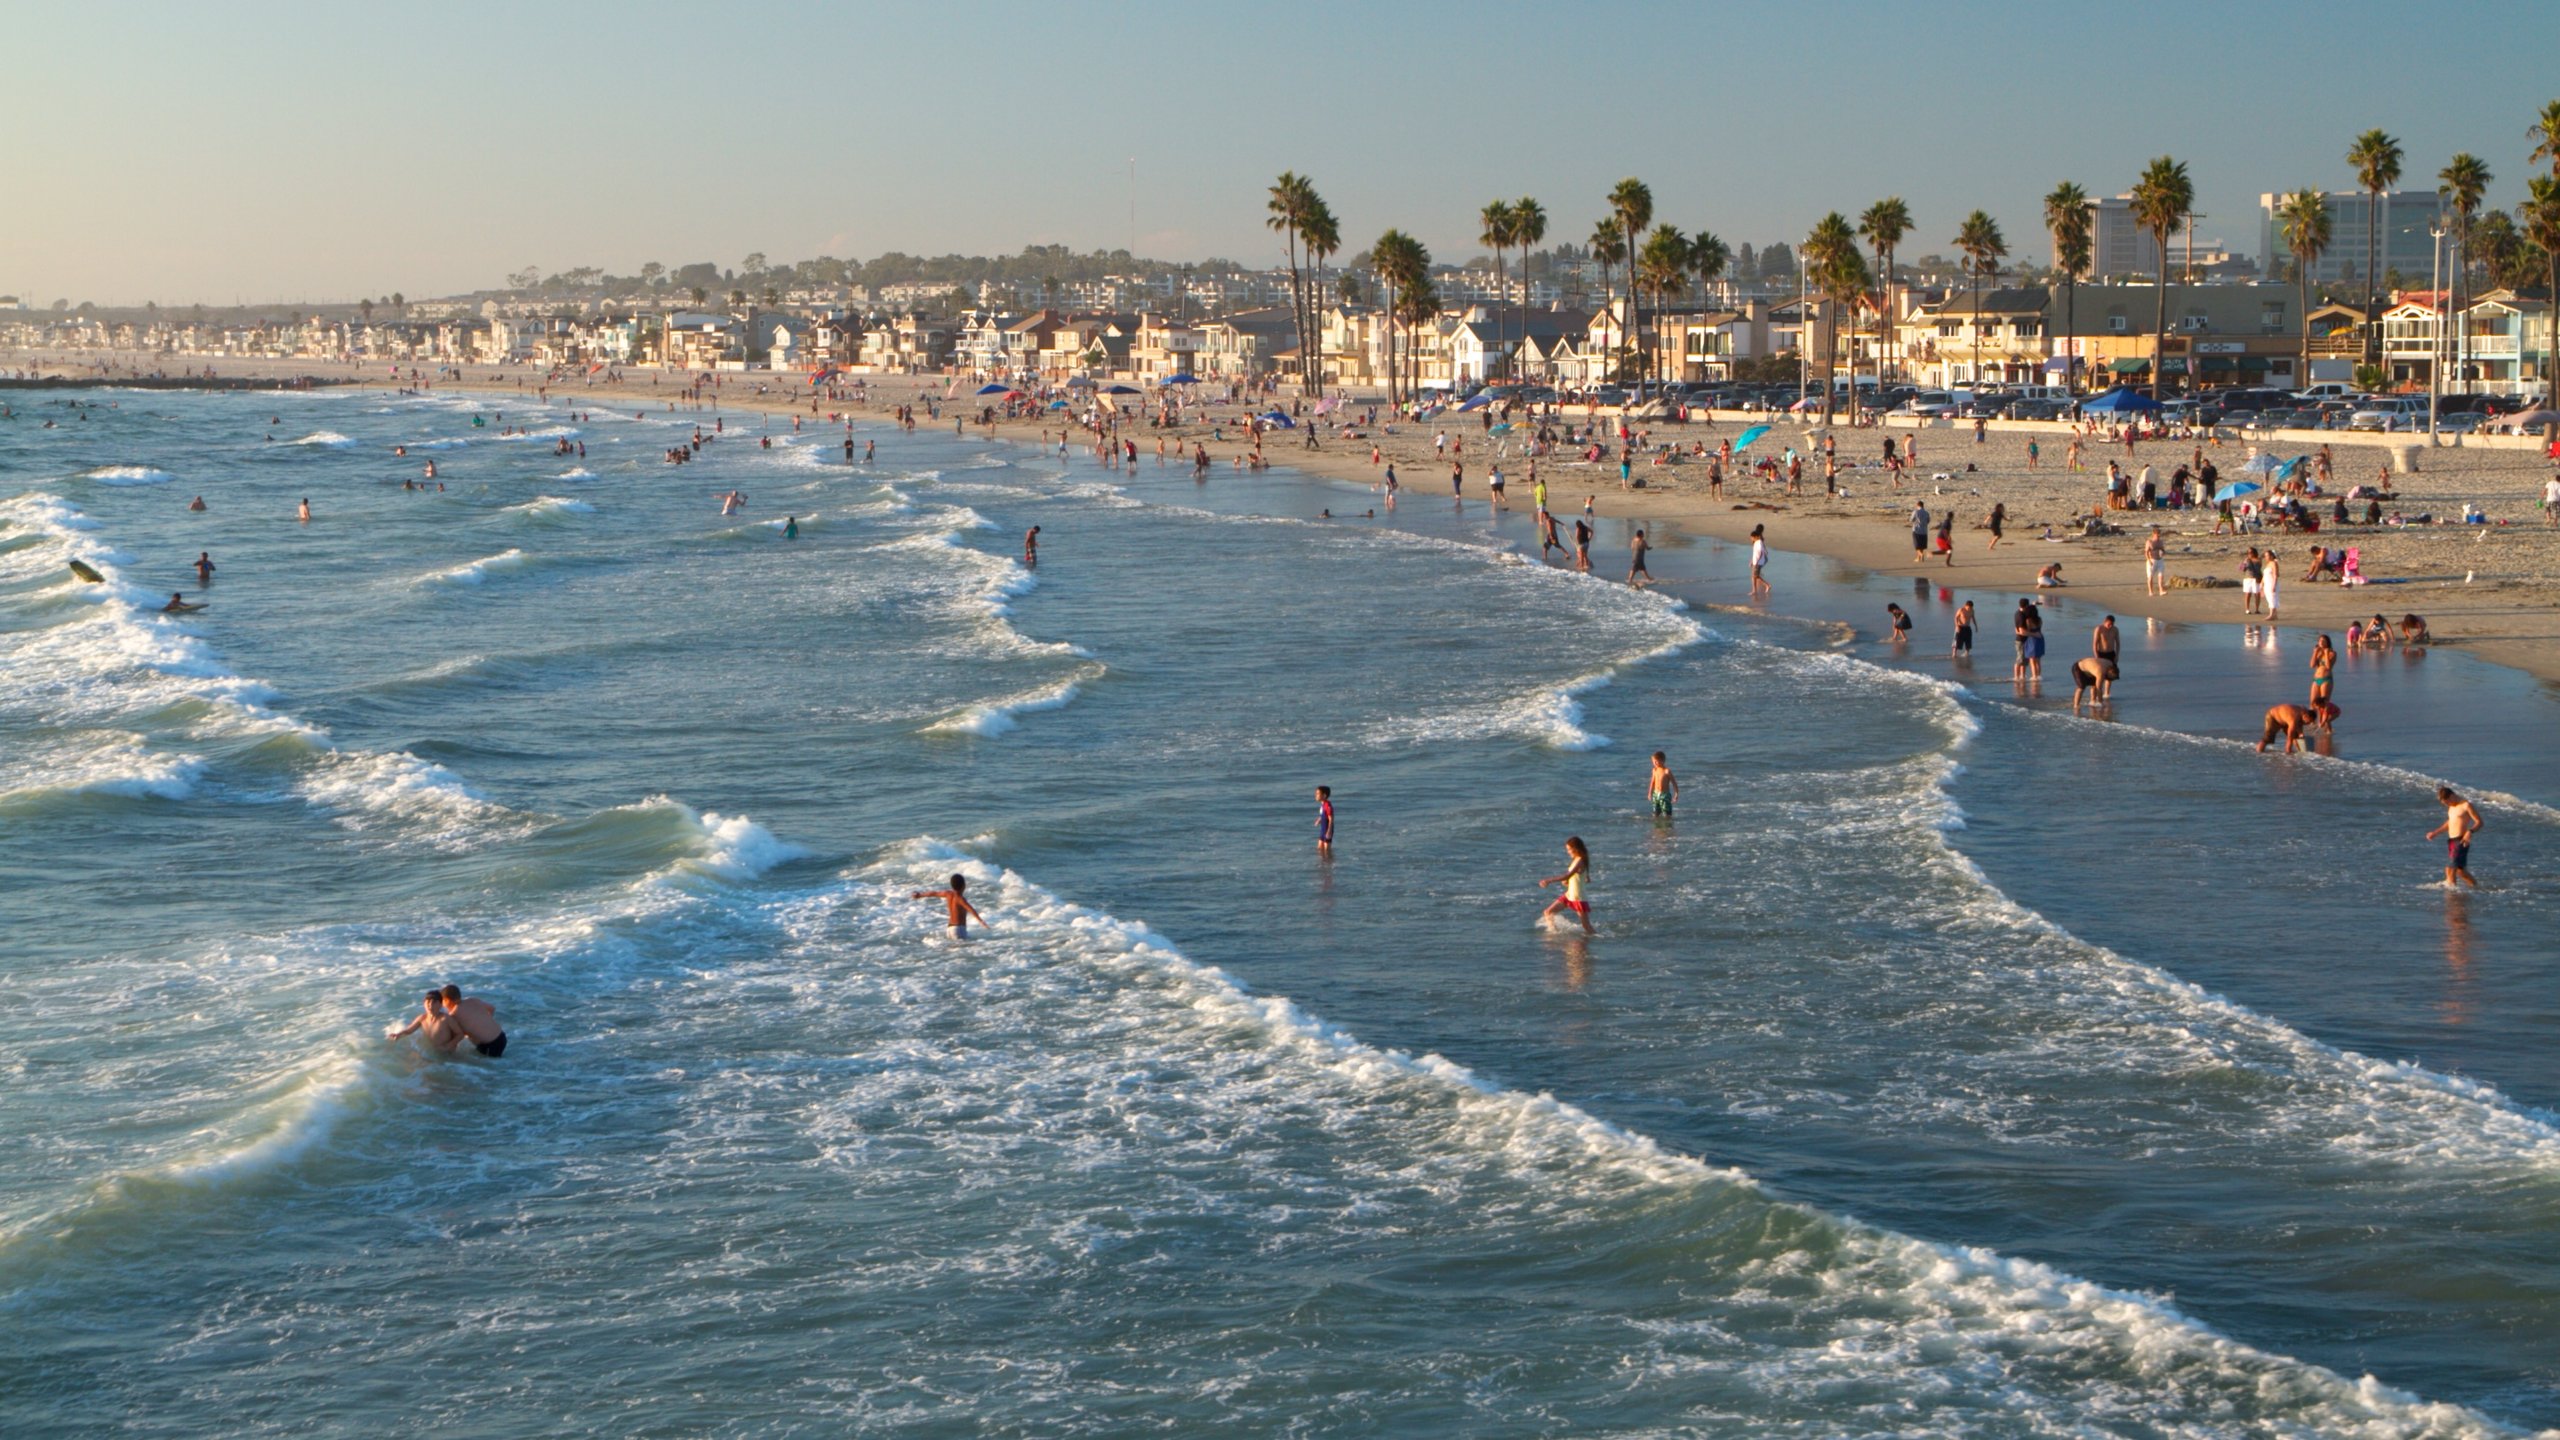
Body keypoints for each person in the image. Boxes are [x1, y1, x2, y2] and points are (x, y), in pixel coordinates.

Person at [2427, 786, 2483, 889]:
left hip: (2461, 840)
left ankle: (2451, 895)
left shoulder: (2466, 805)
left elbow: (2479, 822)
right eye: (2445, 804)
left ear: (2452, 795)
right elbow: (2450, 822)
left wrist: (2470, 832)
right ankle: (2476, 887)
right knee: (2460, 871)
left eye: (2447, 802)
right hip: (2452, 841)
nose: (2447, 805)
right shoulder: (2451, 807)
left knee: (2450, 868)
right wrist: (2436, 832)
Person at [1537, 836, 1594, 935]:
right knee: (1548, 912)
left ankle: (1599, 937)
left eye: (1569, 849)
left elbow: (1568, 875)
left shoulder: (1580, 860)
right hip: (1569, 894)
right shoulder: (1576, 859)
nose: (1568, 852)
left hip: (1577, 897)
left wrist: (1548, 880)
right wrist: (1568, 882)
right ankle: (1554, 934)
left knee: (1586, 926)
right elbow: (1585, 878)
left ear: (1575, 848)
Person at [912, 873, 992, 939]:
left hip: (949, 929)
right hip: (959, 929)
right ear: (964, 886)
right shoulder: (960, 898)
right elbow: (970, 909)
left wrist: (920, 895)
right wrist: (981, 921)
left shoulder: (948, 894)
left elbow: (933, 893)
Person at [438, 984, 506, 1058]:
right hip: (502, 1037)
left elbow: (458, 1035)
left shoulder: (454, 1015)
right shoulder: (472, 1000)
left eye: (442, 1002)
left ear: (447, 1000)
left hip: (490, 1046)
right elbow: (492, 1008)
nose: (442, 1005)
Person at [385, 990, 461, 1053]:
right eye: (428, 1002)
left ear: (441, 1005)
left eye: (434, 1002)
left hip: (448, 1053)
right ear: (424, 1004)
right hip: (434, 1052)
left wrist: (448, 1046)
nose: (430, 1005)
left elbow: (460, 1034)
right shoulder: (422, 1019)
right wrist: (398, 1034)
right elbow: (409, 1030)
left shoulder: (446, 1019)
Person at [2257, 700, 2336, 753]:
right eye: (2309, 721)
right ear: (2306, 716)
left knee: (2296, 736)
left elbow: (2299, 729)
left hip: (2284, 719)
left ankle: (2299, 750)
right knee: (2268, 738)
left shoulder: (2302, 713)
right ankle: (2259, 754)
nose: (2308, 724)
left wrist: (2301, 736)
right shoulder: (2294, 718)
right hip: (2273, 716)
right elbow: (2290, 735)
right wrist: (2288, 750)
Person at [2309, 634, 2336, 709]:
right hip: (2316, 680)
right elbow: (2312, 665)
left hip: (2326, 680)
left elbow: (2328, 667)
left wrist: (2326, 653)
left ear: (2327, 643)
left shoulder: (2332, 653)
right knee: (2313, 703)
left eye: (2323, 641)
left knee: (2324, 703)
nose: (2321, 642)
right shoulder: (2317, 653)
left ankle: (2324, 720)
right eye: (2320, 640)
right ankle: (2312, 720)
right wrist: (2315, 652)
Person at [1647, 753, 1678, 820]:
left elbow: (1674, 783)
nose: (1654, 763)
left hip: (1665, 795)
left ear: (1662, 761)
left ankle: (1667, 828)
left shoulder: (1667, 771)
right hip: (1656, 794)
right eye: (1653, 761)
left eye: (1656, 761)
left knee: (1667, 814)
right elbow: (1652, 782)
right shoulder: (1654, 770)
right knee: (1655, 813)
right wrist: (1650, 793)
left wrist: (1676, 794)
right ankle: (1657, 828)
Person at [2143, 525, 2168, 595]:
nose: (2158, 536)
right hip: (2152, 560)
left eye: (2159, 535)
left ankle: (2161, 590)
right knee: (2150, 577)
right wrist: (2149, 560)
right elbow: (2146, 552)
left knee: (2160, 576)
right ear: (2154, 534)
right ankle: (2150, 592)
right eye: (2157, 535)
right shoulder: (2149, 542)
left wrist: (2163, 553)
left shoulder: (2161, 542)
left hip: (2160, 560)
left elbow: (2163, 550)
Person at [1748, 523, 1770, 595]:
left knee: (1755, 576)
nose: (1751, 539)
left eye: (1751, 537)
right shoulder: (1759, 539)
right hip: (1757, 561)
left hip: (1757, 562)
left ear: (1754, 537)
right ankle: (1754, 590)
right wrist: (1752, 560)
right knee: (1754, 576)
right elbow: (1757, 552)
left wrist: (1756, 561)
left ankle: (1767, 585)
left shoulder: (1759, 541)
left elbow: (1760, 552)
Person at [1314, 785, 1334, 857]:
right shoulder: (1323, 804)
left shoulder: (1328, 805)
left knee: (1327, 849)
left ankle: (1329, 862)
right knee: (1319, 848)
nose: (1316, 795)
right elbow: (1322, 815)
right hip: (1323, 829)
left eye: (1318, 794)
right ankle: (1322, 863)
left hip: (1327, 829)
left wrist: (1329, 830)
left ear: (1324, 795)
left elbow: (1331, 819)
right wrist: (1319, 820)